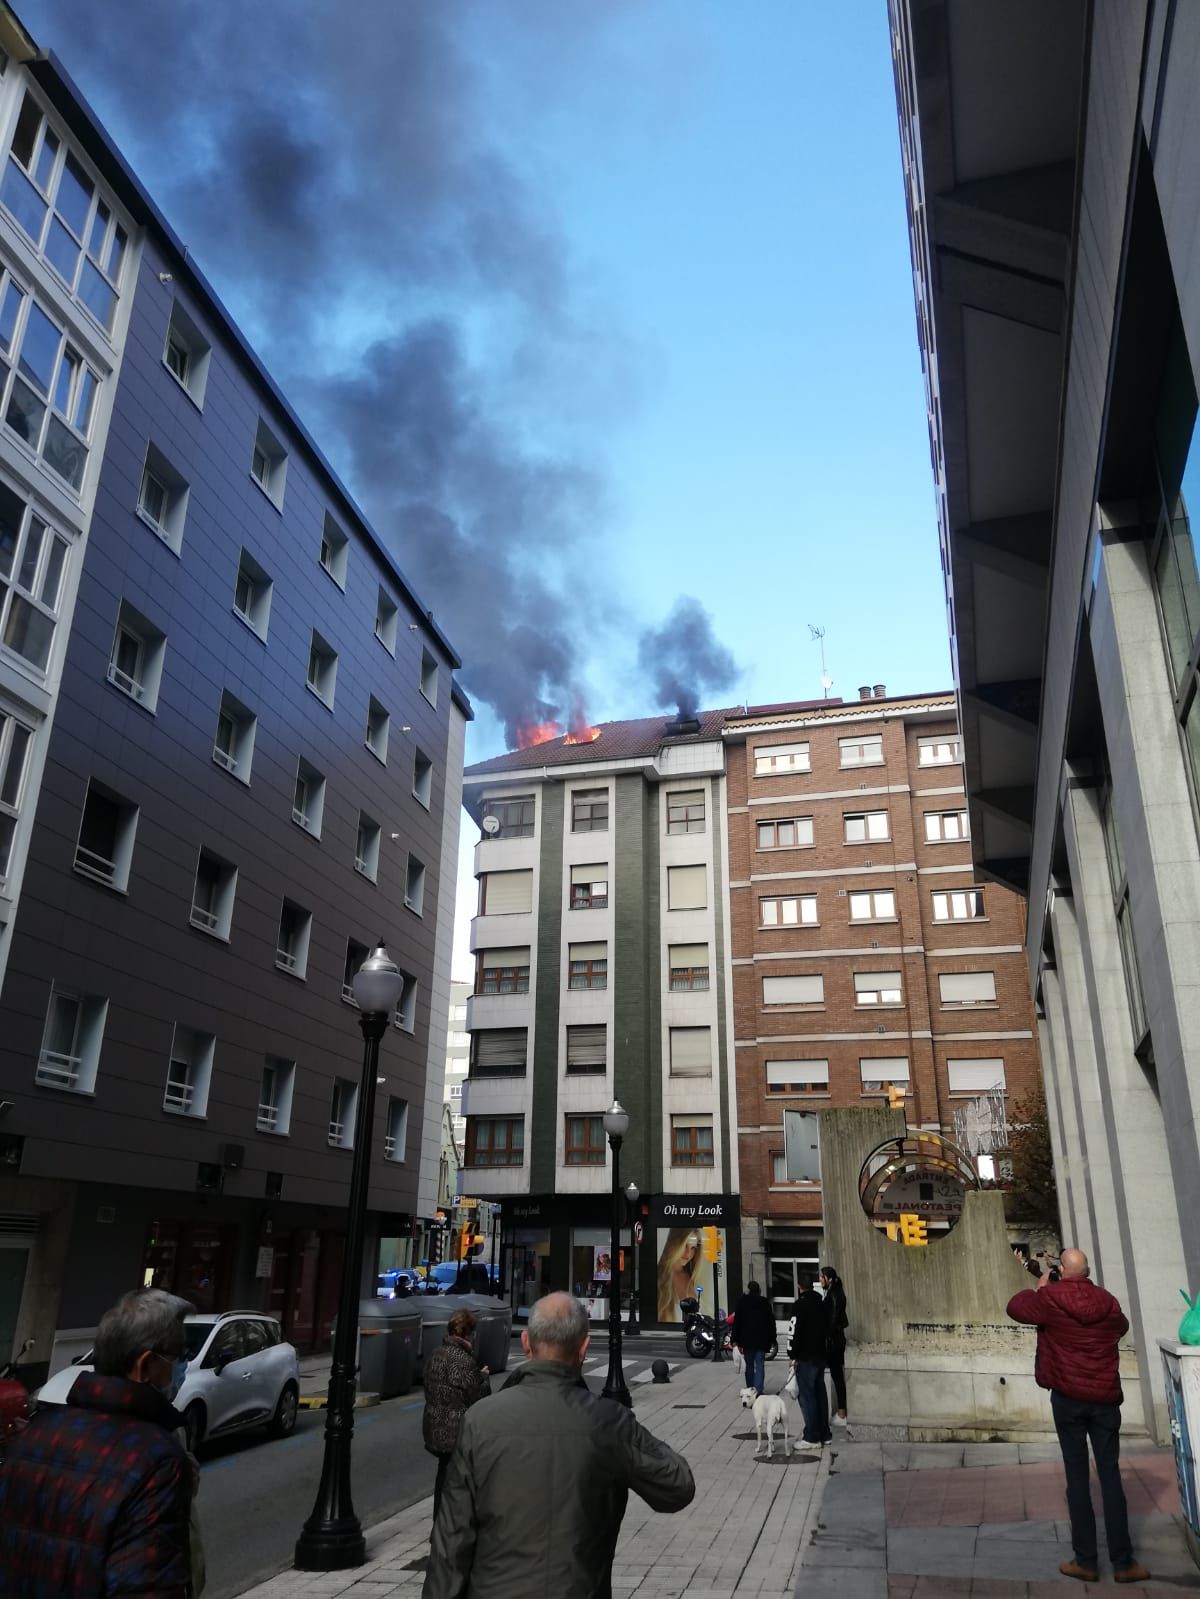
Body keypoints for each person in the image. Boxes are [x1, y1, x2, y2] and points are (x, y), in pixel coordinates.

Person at [424, 1292, 694, 1598]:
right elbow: (678, 1485)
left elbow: (450, 1546)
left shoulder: (479, 1422)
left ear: (525, 1343)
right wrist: (626, 1432)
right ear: (583, 1348)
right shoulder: (608, 1423)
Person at [0, 1287, 195, 1596]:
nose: (180, 1368)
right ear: (144, 1365)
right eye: (177, 1357)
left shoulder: (33, 1435)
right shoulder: (157, 1460)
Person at [1008, 1247, 1150, 1585]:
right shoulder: (1107, 1301)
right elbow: (1122, 1326)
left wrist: (1041, 1287)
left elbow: (1015, 1307)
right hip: (1105, 1399)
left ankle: (1086, 1560)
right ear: (1086, 1272)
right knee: (1110, 1477)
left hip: (1069, 1399)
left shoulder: (1050, 1300)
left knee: (1077, 1478)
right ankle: (1124, 1562)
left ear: (1061, 1270)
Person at [422, 1308, 490, 1527]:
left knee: (443, 1476)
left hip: (435, 1429)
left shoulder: (436, 1354)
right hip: (458, 1432)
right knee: (461, 1482)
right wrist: (484, 1378)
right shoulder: (464, 1361)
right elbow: (479, 1398)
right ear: (469, 1333)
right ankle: (451, 1527)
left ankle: (438, 1524)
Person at [788, 1273, 831, 1453]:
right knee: (820, 1393)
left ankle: (812, 1436)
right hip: (820, 1355)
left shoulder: (800, 1306)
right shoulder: (821, 1304)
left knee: (807, 1396)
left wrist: (792, 1354)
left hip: (805, 1356)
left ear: (799, 1287)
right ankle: (824, 1433)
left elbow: (794, 1331)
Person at [731, 1280, 776, 1396]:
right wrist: (772, 1338)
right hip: (761, 1339)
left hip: (747, 1339)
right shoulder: (764, 1303)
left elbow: (737, 1322)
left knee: (749, 1365)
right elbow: (770, 1322)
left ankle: (751, 1387)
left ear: (749, 1289)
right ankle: (759, 1389)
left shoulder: (742, 1302)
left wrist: (735, 1339)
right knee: (760, 1364)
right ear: (759, 1290)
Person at [820, 1265, 849, 1426]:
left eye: (822, 1277)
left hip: (834, 1342)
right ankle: (841, 1412)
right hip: (834, 1340)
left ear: (829, 1279)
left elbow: (833, 1319)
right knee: (836, 1376)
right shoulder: (833, 1293)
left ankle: (842, 1413)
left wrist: (826, 1335)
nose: (820, 1280)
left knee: (837, 1376)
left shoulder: (835, 1294)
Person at [656, 1229, 701, 1322]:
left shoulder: (695, 1278)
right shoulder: (658, 1278)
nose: (688, 1254)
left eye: (693, 1248)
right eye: (685, 1246)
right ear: (672, 1244)